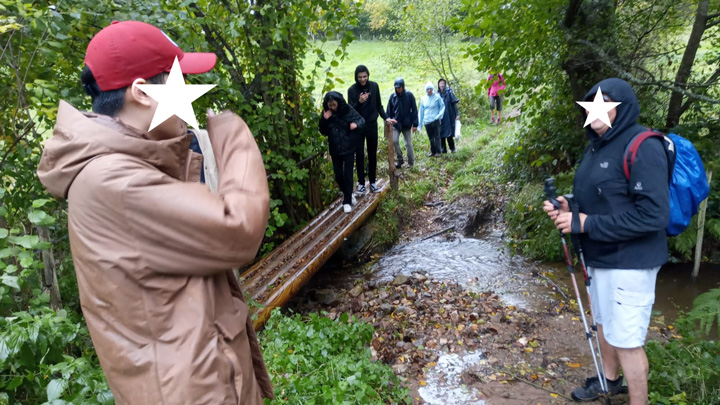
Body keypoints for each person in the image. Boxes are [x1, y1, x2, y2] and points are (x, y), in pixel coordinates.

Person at [36, 21, 274, 404]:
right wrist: (233, 133)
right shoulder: (113, 181)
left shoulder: (125, 163)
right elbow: (238, 226)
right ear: (142, 93)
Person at [543, 78, 669, 404]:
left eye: (604, 101)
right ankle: (609, 381)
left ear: (622, 106)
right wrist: (571, 207)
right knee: (604, 325)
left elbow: (653, 216)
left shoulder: (644, 146)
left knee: (627, 340)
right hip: (599, 256)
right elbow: (603, 197)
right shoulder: (597, 146)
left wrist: (586, 223)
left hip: (631, 261)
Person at [318, 91, 365, 213]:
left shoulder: (347, 109)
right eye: (330, 105)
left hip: (348, 147)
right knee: (338, 175)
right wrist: (324, 119)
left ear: (339, 102)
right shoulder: (326, 112)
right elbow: (322, 130)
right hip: (334, 148)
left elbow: (361, 120)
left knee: (348, 174)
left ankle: (347, 201)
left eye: (334, 105)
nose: (332, 107)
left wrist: (355, 124)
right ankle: (348, 193)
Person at [348, 65, 390, 194]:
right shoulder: (352, 90)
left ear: (368, 75)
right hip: (358, 126)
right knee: (359, 155)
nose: (362, 79)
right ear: (356, 77)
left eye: (364, 76)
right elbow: (350, 110)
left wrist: (386, 118)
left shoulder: (374, 86)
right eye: (360, 77)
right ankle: (361, 183)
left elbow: (379, 105)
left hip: (371, 125)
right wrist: (359, 101)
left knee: (372, 154)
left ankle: (372, 182)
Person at [386, 78, 418, 168]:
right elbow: (389, 110)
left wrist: (415, 124)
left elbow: (414, 110)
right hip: (396, 123)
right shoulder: (392, 97)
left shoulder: (409, 95)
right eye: (396, 88)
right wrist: (388, 119)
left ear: (403, 86)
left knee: (408, 143)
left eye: (399, 87)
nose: (398, 89)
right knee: (395, 141)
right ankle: (400, 159)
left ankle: (411, 162)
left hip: (407, 124)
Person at [418, 81, 445, 157]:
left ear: (432, 89)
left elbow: (442, 107)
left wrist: (439, 116)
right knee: (431, 138)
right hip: (427, 121)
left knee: (437, 136)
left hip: (435, 120)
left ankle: (438, 152)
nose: (429, 90)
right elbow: (421, 111)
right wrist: (420, 123)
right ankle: (433, 151)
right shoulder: (423, 99)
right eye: (428, 89)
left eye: (430, 89)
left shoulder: (437, 97)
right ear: (426, 90)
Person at [437, 78, 459, 153]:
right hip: (440, 117)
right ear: (438, 85)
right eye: (440, 83)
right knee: (441, 133)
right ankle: (443, 149)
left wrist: (457, 114)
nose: (442, 85)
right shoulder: (437, 94)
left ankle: (452, 148)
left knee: (449, 133)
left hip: (449, 115)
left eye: (443, 83)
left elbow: (454, 104)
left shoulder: (449, 93)